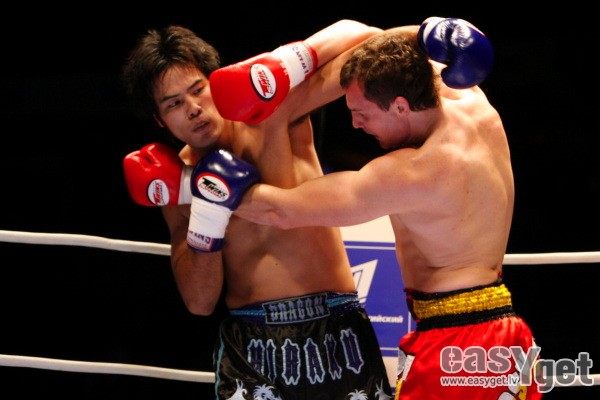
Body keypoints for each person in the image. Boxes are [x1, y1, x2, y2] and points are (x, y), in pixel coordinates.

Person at [235, 17, 543, 399]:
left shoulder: (413, 173)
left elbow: (279, 211)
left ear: (399, 106)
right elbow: (374, 39)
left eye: (363, 113)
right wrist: (426, 32)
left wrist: (201, 188)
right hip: (505, 333)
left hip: (455, 347)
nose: (355, 124)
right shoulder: (470, 101)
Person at [121, 20, 409, 399]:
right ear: (160, 120)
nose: (193, 109)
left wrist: (290, 62)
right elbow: (199, 302)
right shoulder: (177, 185)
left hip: (336, 327)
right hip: (252, 348)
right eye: (174, 104)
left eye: (198, 90)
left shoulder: (272, 111)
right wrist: (208, 213)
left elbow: (369, 45)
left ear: (216, 82)